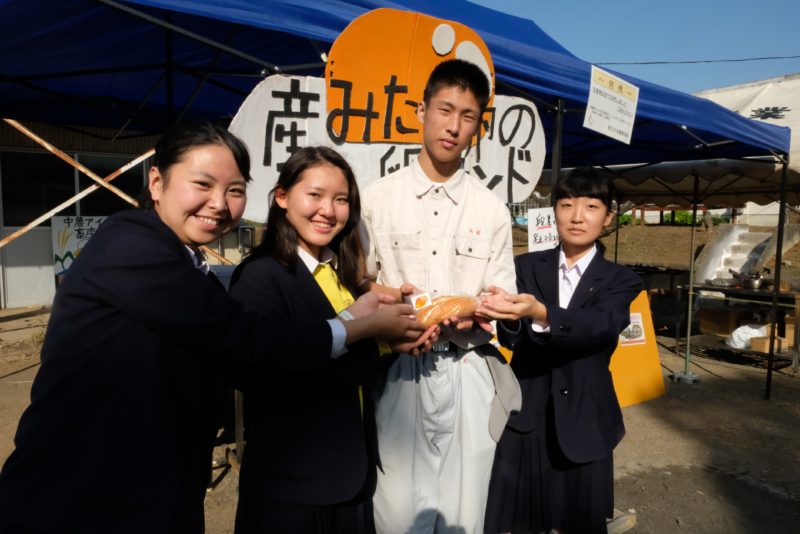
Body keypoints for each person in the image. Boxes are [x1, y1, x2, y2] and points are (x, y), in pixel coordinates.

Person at [0, 123, 423, 534]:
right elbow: (242, 341)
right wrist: (364, 332)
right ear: (156, 182)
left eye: (234, 190)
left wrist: (360, 315)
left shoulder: (192, 268)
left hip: (153, 492)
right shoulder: (130, 247)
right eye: (202, 184)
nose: (219, 203)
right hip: (81, 498)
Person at [228, 146, 435, 533]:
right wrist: (378, 338)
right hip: (293, 487)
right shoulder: (259, 277)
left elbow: (349, 362)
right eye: (316, 195)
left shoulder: (340, 276)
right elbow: (274, 373)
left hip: (349, 475)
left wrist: (397, 342)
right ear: (282, 197)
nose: (329, 210)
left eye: (341, 200)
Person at [360, 59, 521, 534]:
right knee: (394, 512)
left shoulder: (491, 209)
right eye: (444, 109)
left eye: (467, 116)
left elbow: (502, 294)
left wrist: (478, 310)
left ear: (479, 126)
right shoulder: (377, 199)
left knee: (464, 514)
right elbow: (359, 283)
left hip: (466, 368)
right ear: (420, 111)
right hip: (398, 369)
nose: (453, 126)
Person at [477, 167, 644, 534]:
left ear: (608, 216)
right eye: (566, 204)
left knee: (578, 522)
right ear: (553, 211)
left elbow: (602, 326)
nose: (577, 216)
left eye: (591, 206)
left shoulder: (620, 279)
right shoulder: (524, 266)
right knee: (517, 522)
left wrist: (541, 312)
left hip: (586, 418)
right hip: (527, 415)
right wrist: (504, 316)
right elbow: (511, 338)